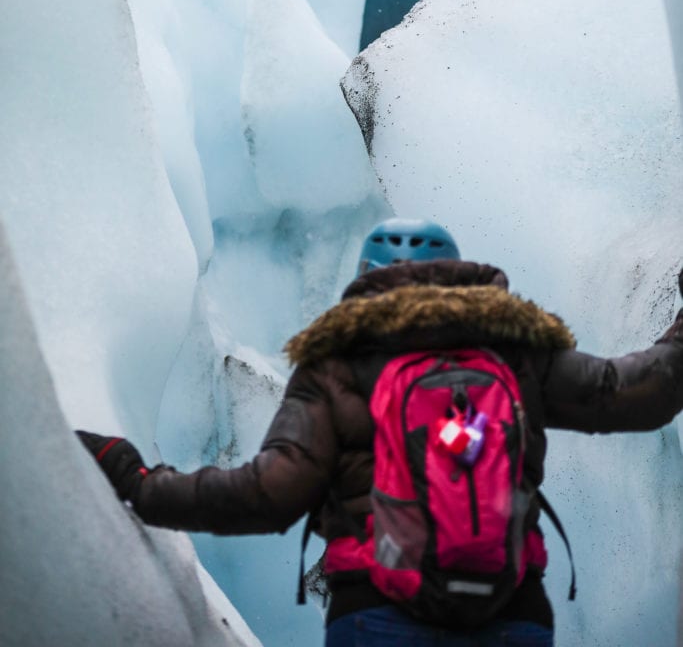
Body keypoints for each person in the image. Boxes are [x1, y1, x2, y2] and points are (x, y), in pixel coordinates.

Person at [78, 219, 683, 647]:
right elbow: (639, 392)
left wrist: (137, 479)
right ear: (456, 272)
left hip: (377, 614)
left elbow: (266, 494)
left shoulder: (338, 365)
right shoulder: (515, 353)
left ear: (366, 277)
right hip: (512, 614)